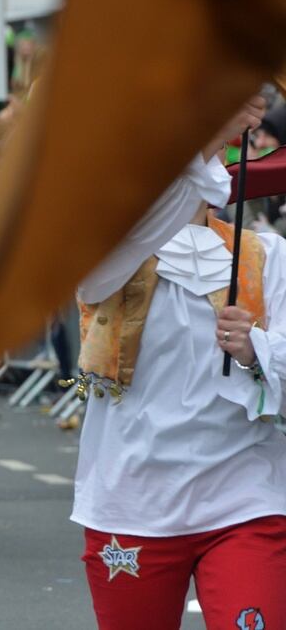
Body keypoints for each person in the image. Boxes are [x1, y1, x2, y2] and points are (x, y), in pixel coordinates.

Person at [72, 99, 286, 629]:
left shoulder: (266, 254)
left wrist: (256, 349)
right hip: (132, 501)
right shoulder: (105, 251)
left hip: (245, 497)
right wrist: (213, 127)